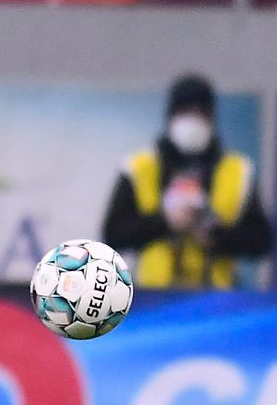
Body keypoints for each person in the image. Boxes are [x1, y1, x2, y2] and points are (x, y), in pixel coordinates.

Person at [101, 73, 272, 289]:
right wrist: (165, 222)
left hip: (217, 302)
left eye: (201, 113)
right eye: (185, 112)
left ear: (212, 119)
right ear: (171, 117)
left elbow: (262, 241)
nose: (193, 120)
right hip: (153, 300)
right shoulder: (140, 168)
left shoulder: (237, 171)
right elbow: (113, 234)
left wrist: (216, 234)